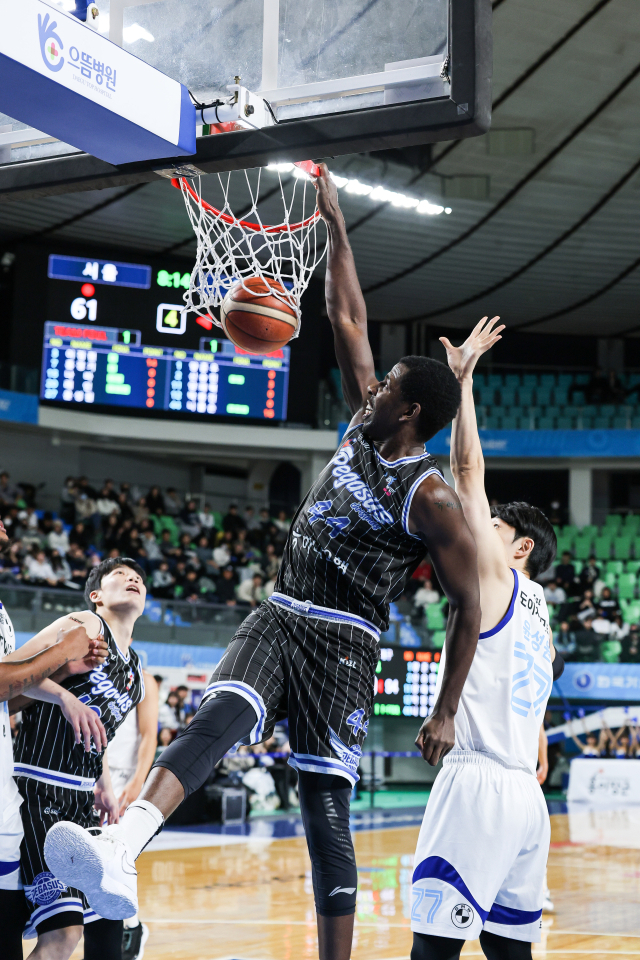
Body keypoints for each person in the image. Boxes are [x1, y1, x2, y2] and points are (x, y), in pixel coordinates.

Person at [45, 164, 481, 960]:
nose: (375, 383)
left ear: (412, 409)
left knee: (324, 815)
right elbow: (346, 314)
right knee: (219, 714)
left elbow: (469, 605)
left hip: (345, 644)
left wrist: (446, 706)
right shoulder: (361, 423)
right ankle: (121, 849)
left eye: (388, 384)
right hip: (281, 612)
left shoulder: (433, 497)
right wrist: (338, 227)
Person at [411, 318, 564, 960]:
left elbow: (466, 470)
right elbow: (539, 743)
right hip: (528, 799)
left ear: (521, 547)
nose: (482, 528)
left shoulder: (501, 578)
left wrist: (463, 378)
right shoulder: (545, 617)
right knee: (510, 952)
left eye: (495, 527)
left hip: (479, 785)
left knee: (433, 947)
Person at [8, 558, 147, 960]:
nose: (132, 578)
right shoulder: (85, 623)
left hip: (82, 801)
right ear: (97, 595)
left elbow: (96, 731)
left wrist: (102, 782)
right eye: (120, 575)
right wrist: (65, 689)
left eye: (138, 577)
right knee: (63, 935)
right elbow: (11, 674)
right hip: (38, 789)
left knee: (103, 922)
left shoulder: (135, 670)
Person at [107, 669, 158, 960]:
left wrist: (138, 782)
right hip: (91, 777)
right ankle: (126, 926)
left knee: (117, 857)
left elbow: (149, 734)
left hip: (124, 781)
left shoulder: (143, 679)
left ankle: (131, 926)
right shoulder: (91, 670)